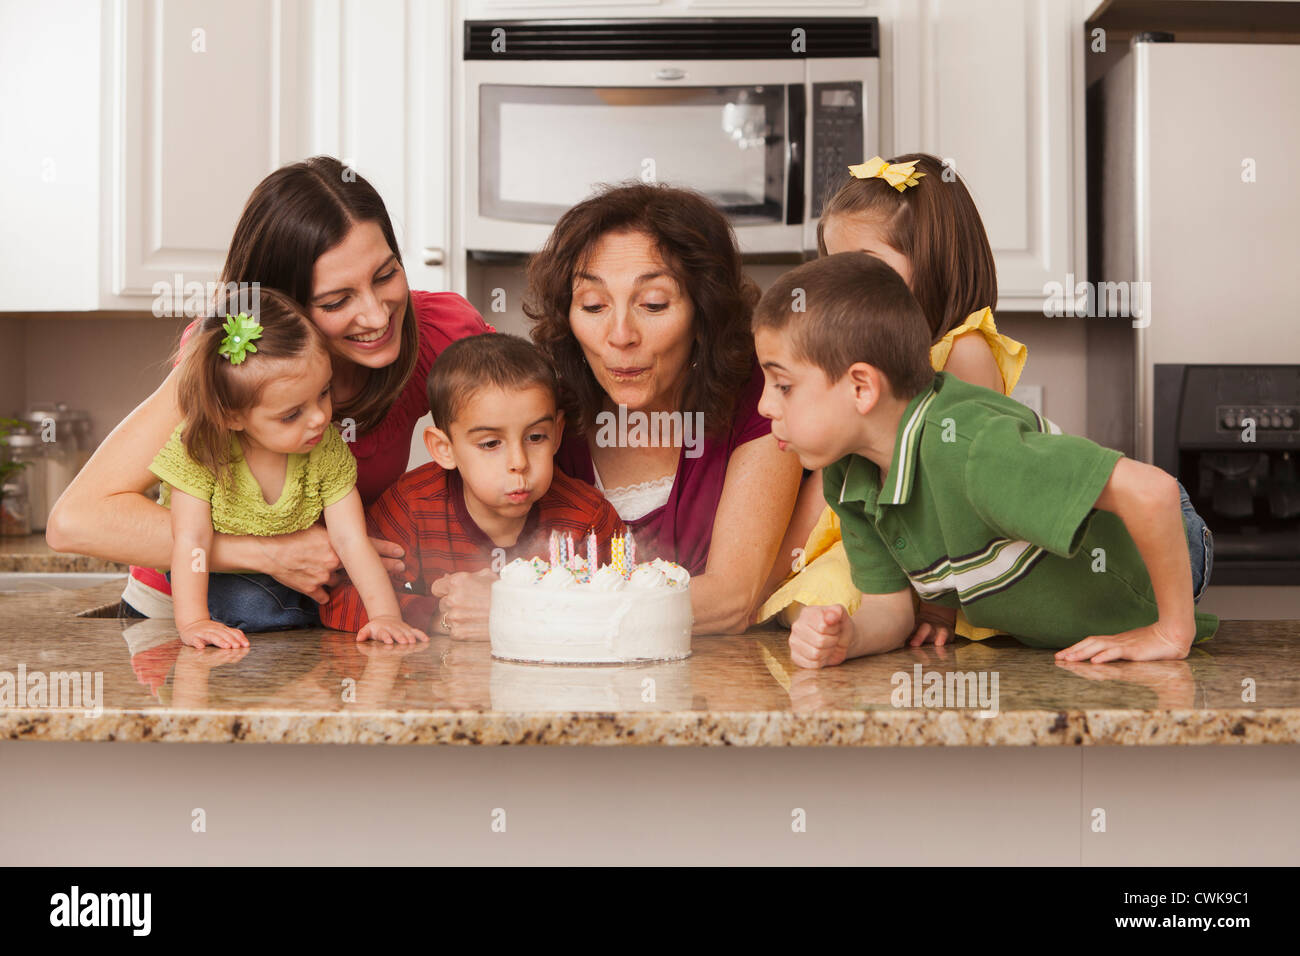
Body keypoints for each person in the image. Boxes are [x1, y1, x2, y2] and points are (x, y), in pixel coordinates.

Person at [45, 157, 494, 618]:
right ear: (281, 309)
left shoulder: (441, 330)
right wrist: (270, 552)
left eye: (386, 275)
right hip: (196, 607)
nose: (379, 316)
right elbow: (77, 521)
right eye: (337, 300)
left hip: (320, 609)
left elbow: (538, 441)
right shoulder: (230, 362)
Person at [752, 252, 1217, 668]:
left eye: (783, 385)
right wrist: (848, 639)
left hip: (1157, 550)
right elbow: (890, 611)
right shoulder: (848, 474)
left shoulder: (973, 446)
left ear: (861, 387)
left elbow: (1152, 492)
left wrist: (1171, 631)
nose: (764, 407)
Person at [760, 154, 1029, 646]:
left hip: (948, 550)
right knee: (805, 599)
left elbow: (960, 492)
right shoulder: (856, 365)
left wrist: (937, 607)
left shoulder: (962, 352)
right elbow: (831, 478)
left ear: (935, 263)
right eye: (833, 267)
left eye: (864, 267)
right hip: (885, 542)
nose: (844, 286)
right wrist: (774, 571)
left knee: (840, 599)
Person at [524, 182, 802, 634]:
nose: (620, 336)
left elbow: (733, 599)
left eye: (653, 304)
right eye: (593, 305)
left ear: (703, 312)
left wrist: (530, 609)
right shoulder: (542, 412)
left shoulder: (762, 401)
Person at [152, 291, 427, 648]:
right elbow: (192, 541)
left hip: (294, 576)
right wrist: (194, 621)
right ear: (231, 415)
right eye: (292, 414)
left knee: (350, 589)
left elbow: (351, 540)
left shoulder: (325, 448)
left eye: (324, 393)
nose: (319, 418)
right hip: (216, 574)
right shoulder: (203, 450)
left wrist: (386, 617)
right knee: (251, 603)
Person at [319, 334, 622, 639]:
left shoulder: (588, 518)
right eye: (490, 443)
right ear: (443, 449)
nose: (519, 462)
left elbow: (634, 605)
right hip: (442, 682)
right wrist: (439, 616)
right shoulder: (414, 504)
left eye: (535, 437)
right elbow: (340, 596)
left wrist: (518, 611)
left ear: (557, 434)